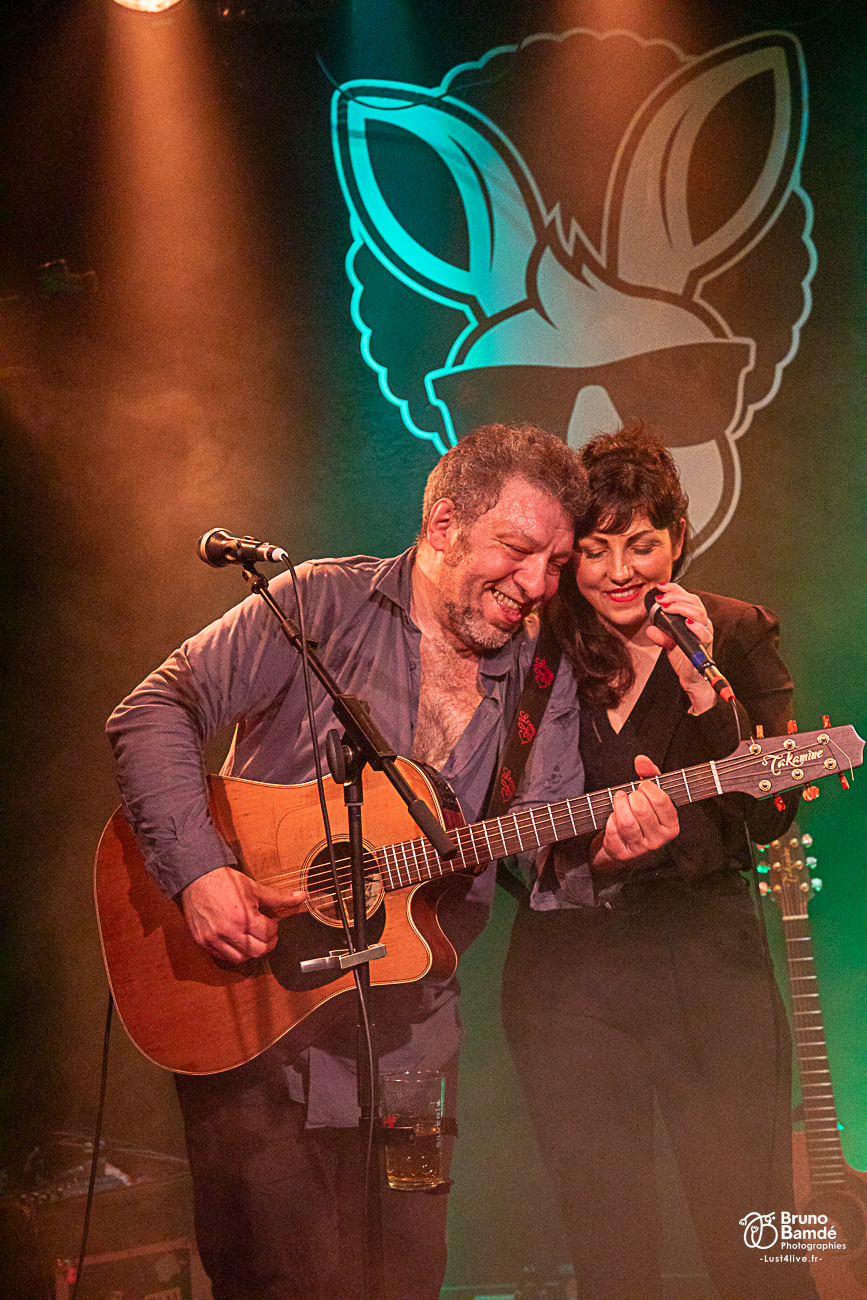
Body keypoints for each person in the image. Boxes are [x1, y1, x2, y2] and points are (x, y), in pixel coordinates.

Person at [106, 423, 679, 1300]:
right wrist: (199, 873)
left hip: (413, 1045)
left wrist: (609, 848)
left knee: (407, 1278)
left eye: (555, 564)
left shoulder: (543, 674)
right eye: (517, 550)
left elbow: (544, 849)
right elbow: (153, 710)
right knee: (277, 1280)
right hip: (257, 1019)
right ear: (444, 525)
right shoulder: (318, 604)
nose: (536, 585)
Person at [502, 422, 819, 1300]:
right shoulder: (535, 649)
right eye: (594, 550)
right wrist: (586, 859)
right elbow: (488, 821)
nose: (618, 571)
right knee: (610, 1253)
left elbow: (770, 816)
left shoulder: (736, 633)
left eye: (639, 544)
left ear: (677, 537)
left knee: (755, 1240)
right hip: (571, 980)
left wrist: (703, 687)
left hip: (707, 968)